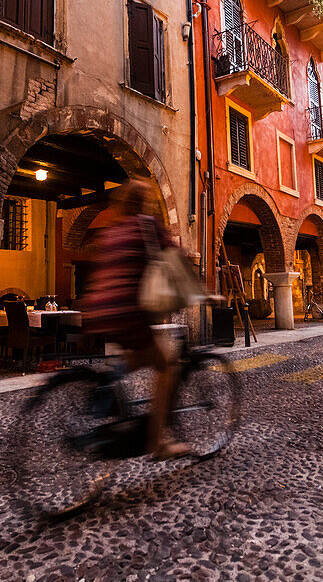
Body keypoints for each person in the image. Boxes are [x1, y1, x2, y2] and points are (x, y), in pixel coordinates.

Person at [83, 179, 190, 460]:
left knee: (137, 357)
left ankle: (107, 385)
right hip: (127, 312)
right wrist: (203, 292)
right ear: (145, 202)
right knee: (167, 364)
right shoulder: (147, 225)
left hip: (97, 311)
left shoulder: (111, 231)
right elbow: (178, 258)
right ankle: (158, 443)